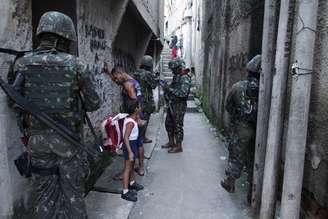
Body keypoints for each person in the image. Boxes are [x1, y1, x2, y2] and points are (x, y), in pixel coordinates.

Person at [12, 11, 101, 218]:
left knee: (43, 193)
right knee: (73, 193)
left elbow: (14, 101)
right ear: (65, 36)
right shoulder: (75, 64)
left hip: (38, 142)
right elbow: (94, 103)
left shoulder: (23, 63)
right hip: (68, 142)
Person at [220, 55, 261, 203]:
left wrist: (238, 118)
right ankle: (252, 194)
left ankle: (230, 183)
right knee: (254, 159)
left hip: (242, 127)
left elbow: (228, 106)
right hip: (260, 128)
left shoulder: (238, 87)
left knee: (237, 155)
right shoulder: (266, 89)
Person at [105, 65, 146, 176]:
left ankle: (127, 172)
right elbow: (117, 81)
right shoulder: (129, 80)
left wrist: (136, 119)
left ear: (120, 73)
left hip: (134, 116)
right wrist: (109, 72)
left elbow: (135, 101)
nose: (116, 80)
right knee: (139, 143)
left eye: (116, 77)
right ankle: (141, 168)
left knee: (130, 144)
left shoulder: (128, 85)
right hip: (138, 115)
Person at [161, 57, 192, 153]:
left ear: (178, 67)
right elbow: (173, 87)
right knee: (168, 124)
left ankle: (179, 146)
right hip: (172, 103)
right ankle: (171, 142)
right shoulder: (177, 76)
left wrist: (168, 89)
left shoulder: (185, 77)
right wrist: (167, 87)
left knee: (178, 126)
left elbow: (183, 93)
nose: (172, 71)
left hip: (179, 105)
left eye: (173, 69)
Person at [121, 100, 144, 202]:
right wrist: (130, 152)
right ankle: (125, 191)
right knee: (127, 168)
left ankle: (132, 182)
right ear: (136, 109)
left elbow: (139, 122)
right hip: (129, 145)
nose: (140, 107)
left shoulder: (133, 118)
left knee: (132, 165)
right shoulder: (130, 123)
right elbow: (125, 137)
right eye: (139, 106)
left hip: (133, 144)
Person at [133, 55, 159, 144]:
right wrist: (156, 77)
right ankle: (142, 138)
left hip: (136, 99)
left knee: (138, 119)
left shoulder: (136, 72)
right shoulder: (147, 74)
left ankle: (137, 137)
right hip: (145, 100)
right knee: (145, 120)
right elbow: (153, 85)